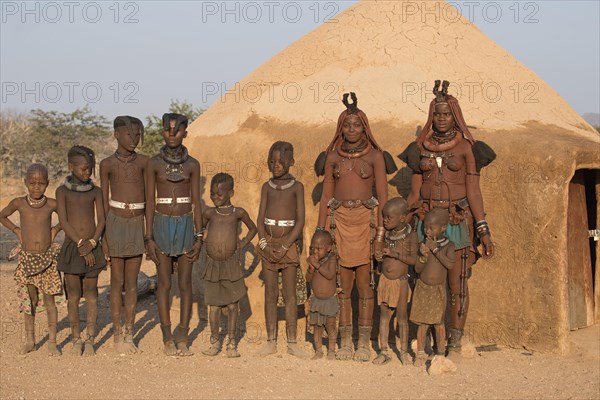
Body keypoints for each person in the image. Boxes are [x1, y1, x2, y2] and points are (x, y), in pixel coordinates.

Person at [400, 80, 495, 357]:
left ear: (455, 116)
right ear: (431, 115)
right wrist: (398, 224)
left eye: (446, 114)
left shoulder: (467, 149)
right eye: (437, 113)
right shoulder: (419, 149)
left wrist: (483, 230)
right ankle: (430, 338)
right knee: (426, 282)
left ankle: (454, 342)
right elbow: (415, 193)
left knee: (457, 284)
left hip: (457, 220)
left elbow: (474, 192)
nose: (441, 118)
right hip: (427, 221)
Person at [315, 92, 397, 361]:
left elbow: (383, 197)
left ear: (365, 127)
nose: (351, 129)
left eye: (357, 125)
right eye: (347, 125)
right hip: (339, 224)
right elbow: (327, 196)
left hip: (367, 223)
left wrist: (381, 235)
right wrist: (320, 231)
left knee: (365, 285)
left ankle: (363, 342)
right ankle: (346, 341)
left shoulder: (375, 156)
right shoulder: (332, 157)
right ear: (340, 128)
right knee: (343, 286)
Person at [145, 113, 203, 356]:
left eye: (177, 130)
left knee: (185, 283)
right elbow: (149, 201)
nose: (172, 134)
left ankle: (183, 335)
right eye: (167, 130)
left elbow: (197, 203)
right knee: (164, 283)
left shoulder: (192, 165)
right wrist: (148, 237)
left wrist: (199, 236)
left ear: (185, 133)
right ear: (162, 132)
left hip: (186, 224)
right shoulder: (154, 164)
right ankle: (167, 335)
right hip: (161, 223)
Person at [0, 164, 63, 355]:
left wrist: (56, 229)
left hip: (47, 259)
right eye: (32, 183)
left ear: (47, 183)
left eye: (41, 183)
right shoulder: (19, 203)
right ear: (25, 182)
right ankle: (30, 341)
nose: (36, 187)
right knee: (30, 301)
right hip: (27, 258)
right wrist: (16, 230)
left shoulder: (52, 204)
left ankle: (52, 342)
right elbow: (2, 216)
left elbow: (68, 218)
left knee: (49, 301)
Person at [100, 115, 148, 354]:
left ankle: (129, 332)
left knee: (132, 283)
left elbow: (149, 199)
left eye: (138, 134)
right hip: (116, 222)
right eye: (130, 134)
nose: (135, 139)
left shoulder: (144, 163)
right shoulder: (107, 164)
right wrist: (104, 237)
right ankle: (117, 332)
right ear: (117, 135)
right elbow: (102, 203)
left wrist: (148, 235)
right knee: (116, 282)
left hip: (137, 223)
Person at [256, 141, 306, 358]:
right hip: (268, 243)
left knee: (289, 294)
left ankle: (292, 342)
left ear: (291, 162)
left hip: (289, 244)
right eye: (272, 161)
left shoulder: (297, 188)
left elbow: (301, 221)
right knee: (270, 293)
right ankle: (270, 341)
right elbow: (259, 219)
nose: (276, 165)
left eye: (281, 161)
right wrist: (264, 243)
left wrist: (286, 245)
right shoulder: (266, 187)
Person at [56, 146, 106, 356]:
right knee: (74, 296)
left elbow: (101, 219)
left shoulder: (96, 191)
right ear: (71, 167)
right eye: (85, 169)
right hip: (72, 247)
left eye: (91, 169)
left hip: (92, 247)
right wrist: (80, 244)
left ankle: (91, 338)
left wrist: (93, 242)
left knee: (92, 294)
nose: (88, 173)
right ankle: (77, 339)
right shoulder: (62, 191)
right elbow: (63, 221)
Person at [201, 173, 257, 357]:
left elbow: (253, 228)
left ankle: (231, 343)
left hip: (231, 265)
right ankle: (215, 341)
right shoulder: (209, 213)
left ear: (230, 193)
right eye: (212, 193)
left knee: (233, 306)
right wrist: (203, 238)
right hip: (213, 266)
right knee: (214, 306)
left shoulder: (238, 213)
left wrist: (243, 243)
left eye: (219, 194)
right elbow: (199, 230)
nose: (214, 197)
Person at [372, 197, 417, 365]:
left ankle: (404, 352)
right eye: (384, 217)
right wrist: (379, 257)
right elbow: (380, 255)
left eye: (389, 217)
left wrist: (395, 254)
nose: (385, 220)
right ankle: (383, 351)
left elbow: (414, 260)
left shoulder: (411, 236)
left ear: (402, 218)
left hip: (401, 282)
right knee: (384, 317)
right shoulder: (385, 234)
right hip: (385, 281)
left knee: (402, 318)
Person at [410, 208, 455, 366]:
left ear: (443, 228)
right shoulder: (423, 244)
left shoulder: (449, 245)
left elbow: (449, 264)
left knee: (438, 323)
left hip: (437, 290)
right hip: (423, 288)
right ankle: (420, 354)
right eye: (425, 227)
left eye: (431, 228)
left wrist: (435, 249)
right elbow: (417, 269)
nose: (427, 230)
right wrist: (423, 256)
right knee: (423, 323)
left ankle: (441, 353)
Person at [306, 230, 338, 360]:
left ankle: (331, 351)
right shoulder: (313, 262)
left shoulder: (332, 259)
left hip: (329, 301)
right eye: (312, 248)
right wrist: (311, 269)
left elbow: (330, 275)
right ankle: (318, 351)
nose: (315, 252)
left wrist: (317, 265)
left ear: (329, 248)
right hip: (316, 301)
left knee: (330, 326)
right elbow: (308, 279)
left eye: (319, 248)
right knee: (317, 327)